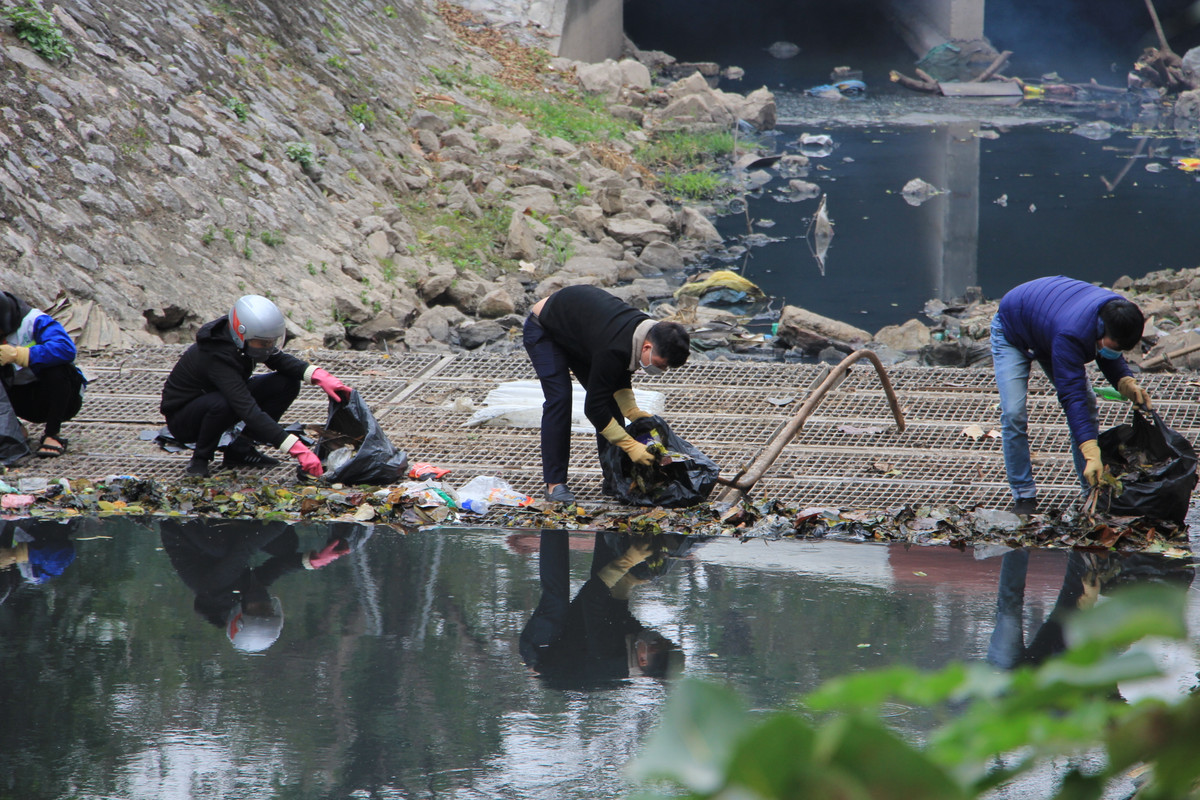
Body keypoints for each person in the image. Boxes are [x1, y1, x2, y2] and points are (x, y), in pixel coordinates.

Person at [991, 276, 1151, 515]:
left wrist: (1124, 380)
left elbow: (1109, 353)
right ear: (1101, 330)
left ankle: (1090, 492)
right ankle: (1023, 494)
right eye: (1115, 345)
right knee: (1014, 413)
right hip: (1013, 331)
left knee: (1088, 405)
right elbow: (1071, 396)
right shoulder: (1071, 334)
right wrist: (1090, 450)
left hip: (1047, 328)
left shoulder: (1117, 312)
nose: (1115, 351)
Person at [523, 285, 691, 504]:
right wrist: (630, 446)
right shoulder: (615, 346)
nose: (662, 371)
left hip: (581, 336)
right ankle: (555, 485)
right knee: (560, 399)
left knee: (611, 405)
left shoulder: (641, 333)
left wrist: (632, 411)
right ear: (647, 348)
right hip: (545, 329)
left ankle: (612, 478)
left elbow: (618, 378)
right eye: (661, 365)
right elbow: (593, 407)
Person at [160, 294, 352, 477]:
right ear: (241, 333)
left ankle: (241, 449)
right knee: (224, 403)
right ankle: (200, 460)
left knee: (286, 382)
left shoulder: (242, 340)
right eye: (263, 343)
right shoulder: (217, 355)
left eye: (271, 342)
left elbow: (280, 360)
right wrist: (295, 448)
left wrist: (320, 376)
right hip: (184, 419)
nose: (268, 348)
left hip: (221, 397)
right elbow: (247, 409)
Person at [159, 518, 350, 652]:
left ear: (238, 615)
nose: (264, 603)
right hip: (217, 535)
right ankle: (241, 520)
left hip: (182, 528)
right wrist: (312, 561)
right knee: (285, 546)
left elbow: (244, 549)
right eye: (268, 610)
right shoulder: (237, 596)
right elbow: (275, 569)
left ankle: (207, 516)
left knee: (219, 547)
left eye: (259, 609)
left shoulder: (213, 588)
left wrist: (287, 518)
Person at [519, 530, 683, 685]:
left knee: (557, 599)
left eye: (658, 642)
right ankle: (608, 525)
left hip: (542, 652)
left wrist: (627, 561)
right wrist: (627, 582)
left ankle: (553, 528)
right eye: (666, 640)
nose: (659, 636)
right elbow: (617, 612)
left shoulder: (608, 656)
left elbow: (591, 598)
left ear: (643, 660)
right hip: (576, 639)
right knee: (607, 573)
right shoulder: (640, 647)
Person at [0, 291, 86, 459]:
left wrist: (22, 355)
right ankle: (14, 428)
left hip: (57, 397)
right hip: (17, 398)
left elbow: (65, 349)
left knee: (57, 368)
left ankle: (52, 435)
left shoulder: (34, 320)